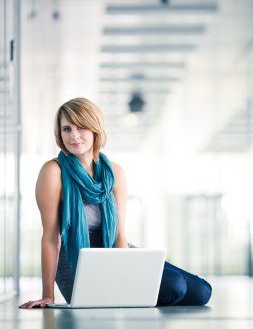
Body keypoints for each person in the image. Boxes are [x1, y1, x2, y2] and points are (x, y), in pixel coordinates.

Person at [19, 97, 212, 309]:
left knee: (202, 292)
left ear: (95, 130)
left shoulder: (115, 173)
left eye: (81, 127)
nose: (73, 135)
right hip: (74, 257)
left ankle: (126, 296)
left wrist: (122, 270)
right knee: (174, 287)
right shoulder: (53, 172)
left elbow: (119, 236)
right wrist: (48, 295)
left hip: (112, 248)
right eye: (66, 128)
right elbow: (50, 238)